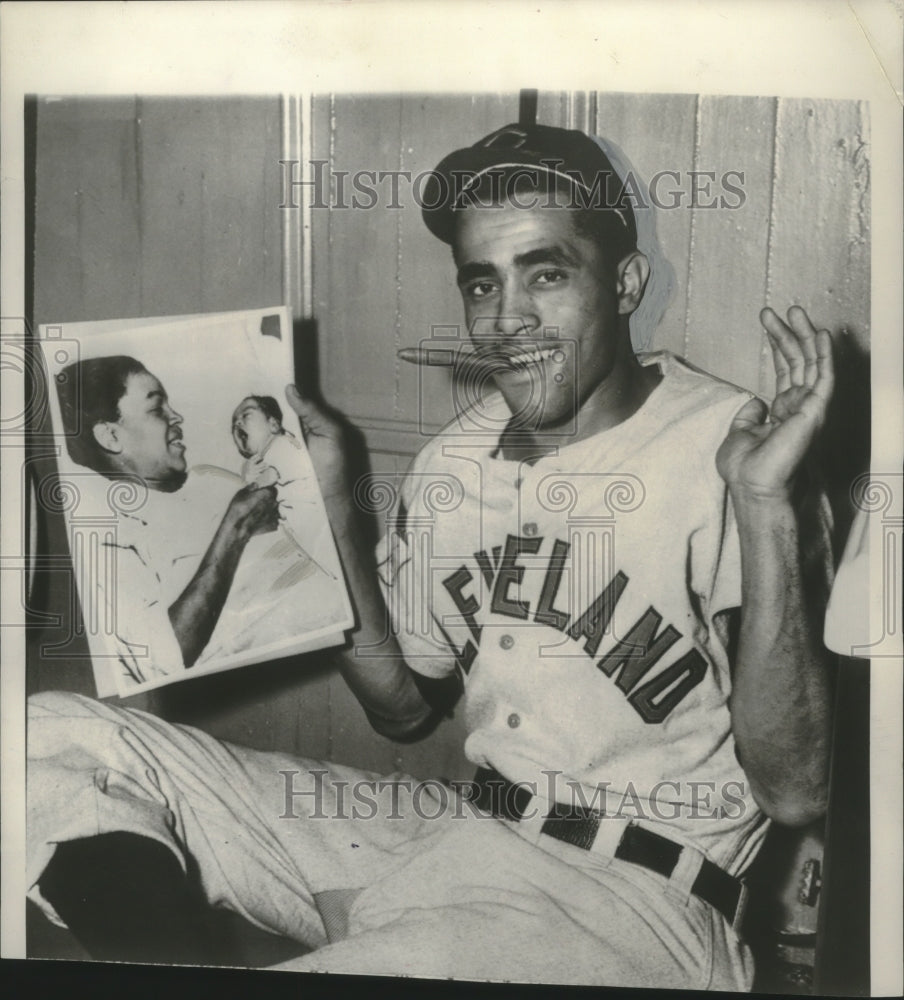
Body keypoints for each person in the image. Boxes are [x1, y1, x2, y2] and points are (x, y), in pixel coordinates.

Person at [28, 123, 834, 988]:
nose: (508, 318)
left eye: (548, 274)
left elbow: (797, 791)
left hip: (629, 897)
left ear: (626, 283)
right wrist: (334, 511)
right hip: (443, 831)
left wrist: (763, 509)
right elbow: (403, 708)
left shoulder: (735, 448)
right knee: (48, 736)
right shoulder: (455, 460)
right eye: (483, 283)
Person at [54, 356, 280, 684]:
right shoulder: (107, 535)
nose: (178, 417)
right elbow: (164, 658)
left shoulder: (204, 482)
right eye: (157, 408)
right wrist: (237, 528)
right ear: (110, 436)